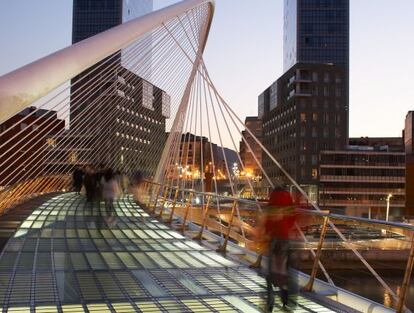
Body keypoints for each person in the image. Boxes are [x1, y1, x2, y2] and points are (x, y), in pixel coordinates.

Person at [259, 187, 297, 311]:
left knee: (271, 271)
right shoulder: (288, 201)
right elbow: (292, 221)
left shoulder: (273, 200)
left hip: (273, 239)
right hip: (285, 239)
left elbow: (268, 222)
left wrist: (266, 233)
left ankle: (269, 302)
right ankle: (288, 300)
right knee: (286, 270)